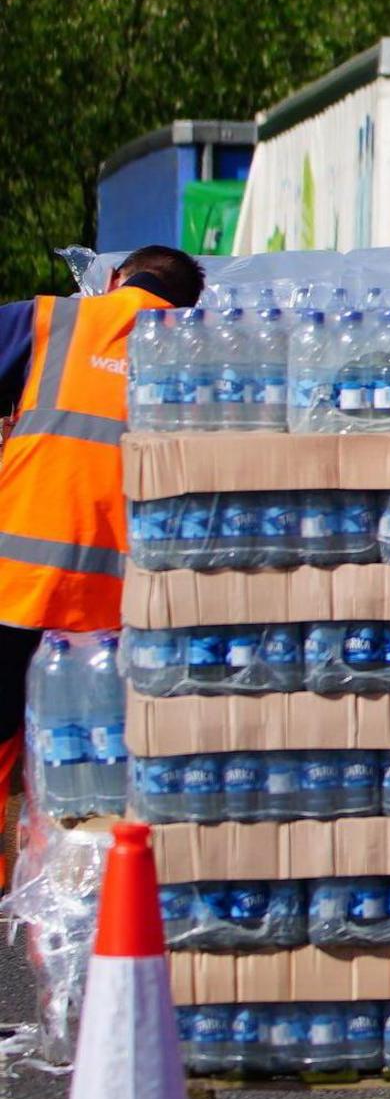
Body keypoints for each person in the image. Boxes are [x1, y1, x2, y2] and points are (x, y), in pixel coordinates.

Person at [0, 246, 205, 803]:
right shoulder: (200, 355)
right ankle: (77, 883)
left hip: (16, 581)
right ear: (186, 306)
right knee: (83, 759)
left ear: (115, 278)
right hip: (116, 610)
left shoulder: (52, 318)